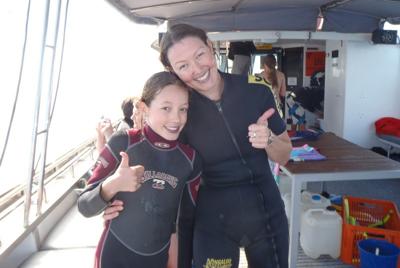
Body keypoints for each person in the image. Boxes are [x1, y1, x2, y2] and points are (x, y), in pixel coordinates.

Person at [106, 24, 292, 268]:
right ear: (172, 70)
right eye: (183, 66)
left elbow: (285, 154)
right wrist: (114, 197)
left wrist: (268, 139)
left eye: (200, 55)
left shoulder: (256, 89)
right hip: (213, 223)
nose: (197, 69)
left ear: (210, 46)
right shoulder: (180, 112)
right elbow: (153, 159)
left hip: (267, 216)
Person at [78, 71, 202, 268]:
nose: (176, 118)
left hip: (160, 257)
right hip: (114, 256)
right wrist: (113, 185)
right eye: (166, 108)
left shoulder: (190, 159)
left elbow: (182, 221)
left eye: (183, 109)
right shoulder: (124, 142)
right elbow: (84, 206)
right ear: (144, 108)